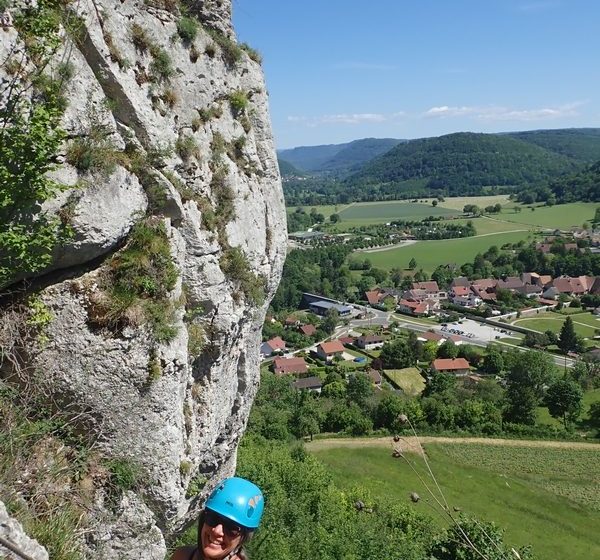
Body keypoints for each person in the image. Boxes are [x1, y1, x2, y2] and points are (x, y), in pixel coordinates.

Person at [171, 476, 264, 560]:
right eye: (213, 518)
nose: (217, 531)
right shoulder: (182, 555)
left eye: (232, 528)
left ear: (243, 537)